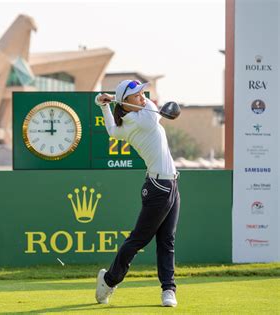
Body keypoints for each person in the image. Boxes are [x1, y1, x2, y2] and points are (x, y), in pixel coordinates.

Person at [94, 79, 180, 307]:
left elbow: (112, 130)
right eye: (138, 96)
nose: (143, 98)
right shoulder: (144, 120)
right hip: (159, 188)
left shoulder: (131, 121)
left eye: (143, 93)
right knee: (138, 240)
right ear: (126, 103)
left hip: (170, 184)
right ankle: (109, 280)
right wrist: (115, 101)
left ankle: (168, 290)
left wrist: (105, 106)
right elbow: (152, 112)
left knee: (167, 240)